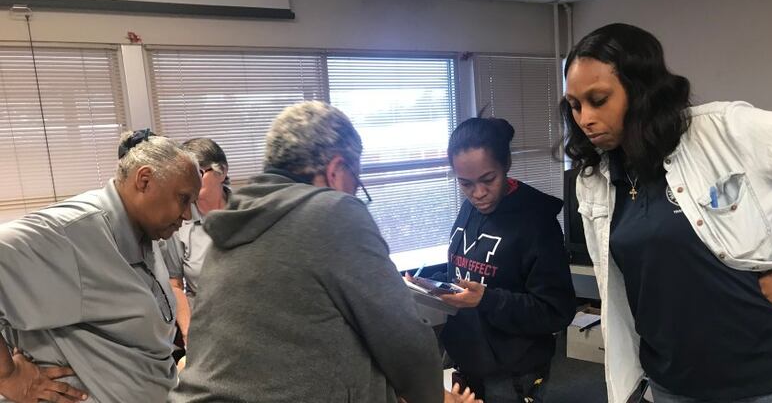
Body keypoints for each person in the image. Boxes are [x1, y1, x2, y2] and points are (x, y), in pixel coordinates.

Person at [170, 101, 480, 403]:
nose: (355, 193)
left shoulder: (236, 221)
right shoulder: (332, 211)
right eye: (355, 181)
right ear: (336, 170)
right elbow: (403, 338)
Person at [562, 23, 772, 403]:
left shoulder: (722, 130)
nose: (584, 118)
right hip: (671, 382)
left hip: (765, 379)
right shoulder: (596, 179)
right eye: (574, 105)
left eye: (598, 100)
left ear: (641, 90)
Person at [0, 129, 201, 402]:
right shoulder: (75, 233)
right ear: (144, 181)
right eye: (184, 199)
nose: (188, 214)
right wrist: (9, 377)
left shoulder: (148, 233)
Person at [422, 117, 576, 403]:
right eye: (465, 183)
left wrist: (487, 299)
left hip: (512, 374)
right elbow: (466, 272)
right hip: (466, 359)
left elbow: (557, 311)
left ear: (506, 164)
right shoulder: (470, 209)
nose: (478, 194)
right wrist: (429, 286)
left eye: (488, 180)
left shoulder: (537, 223)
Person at [158, 137, 230, 350]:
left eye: (198, 172)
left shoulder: (250, 210)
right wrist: (189, 333)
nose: (190, 182)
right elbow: (175, 285)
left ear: (222, 172)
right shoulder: (177, 222)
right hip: (205, 322)